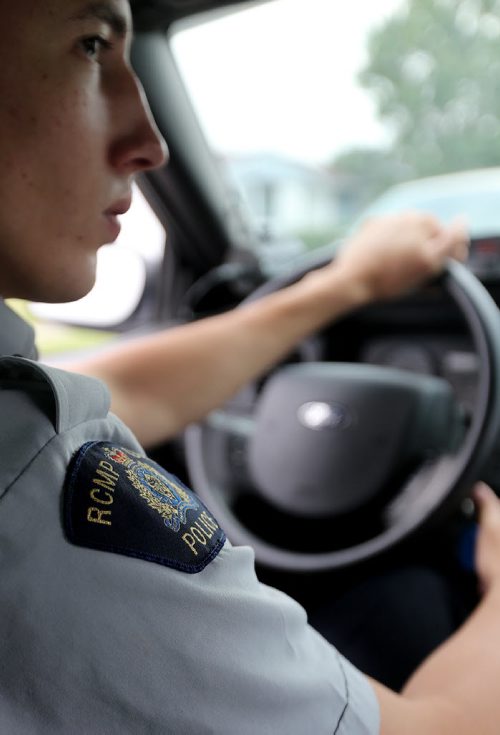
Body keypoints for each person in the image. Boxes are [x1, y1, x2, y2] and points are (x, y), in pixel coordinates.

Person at [0, 1, 498, 733]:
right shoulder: (34, 510)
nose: (151, 143)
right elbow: (441, 726)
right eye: (92, 45)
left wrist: (345, 286)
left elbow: (124, 389)